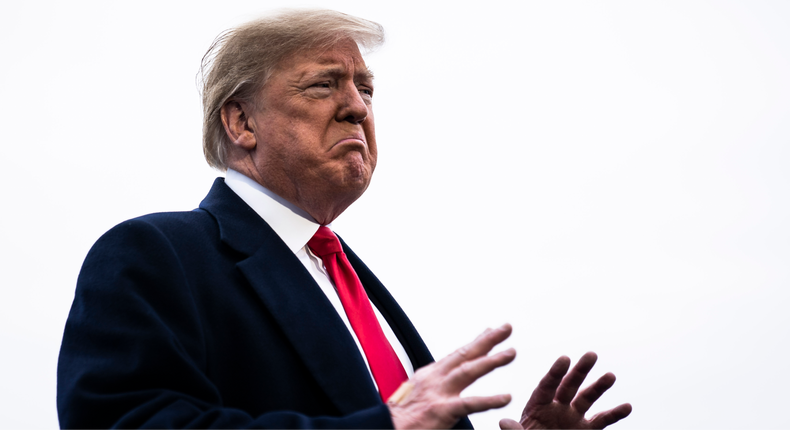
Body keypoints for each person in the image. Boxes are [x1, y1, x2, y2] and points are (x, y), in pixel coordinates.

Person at [57, 9, 632, 430]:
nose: (357, 105)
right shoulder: (154, 254)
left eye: (365, 87)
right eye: (324, 83)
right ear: (241, 122)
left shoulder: (349, 279)